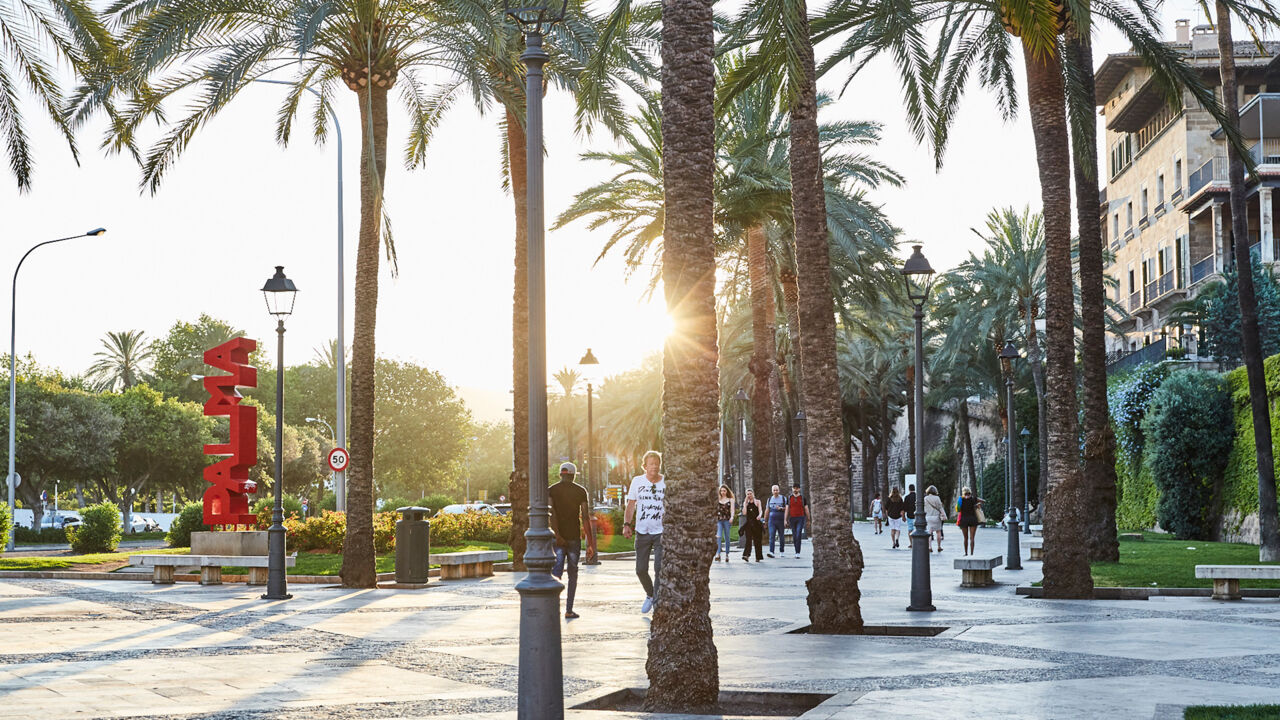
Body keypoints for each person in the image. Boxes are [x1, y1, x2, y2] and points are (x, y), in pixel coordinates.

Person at [549, 462, 597, 619]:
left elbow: (551, 514)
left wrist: (557, 535)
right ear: (573, 475)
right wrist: (590, 543)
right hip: (574, 538)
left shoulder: (551, 490)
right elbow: (584, 517)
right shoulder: (580, 491)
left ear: (561, 474)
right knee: (572, 573)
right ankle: (569, 610)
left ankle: (552, 609)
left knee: (556, 573)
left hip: (558, 540)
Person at [623, 450, 665, 613]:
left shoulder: (665, 482)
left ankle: (656, 601)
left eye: (657, 464)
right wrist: (627, 524)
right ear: (645, 466)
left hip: (661, 532)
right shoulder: (637, 481)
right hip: (642, 531)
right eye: (651, 464)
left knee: (659, 568)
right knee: (640, 569)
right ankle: (650, 594)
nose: (654, 467)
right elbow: (631, 505)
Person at [958, 486, 984, 556]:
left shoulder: (961, 499)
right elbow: (983, 501)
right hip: (973, 519)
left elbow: (958, 509)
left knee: (965, 538)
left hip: (964, 520)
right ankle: (972, 553)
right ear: (970, 492)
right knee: (972, 538)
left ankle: (966, 553)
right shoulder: (974, 499)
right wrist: (977, 504)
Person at [785, 484, 809, 558]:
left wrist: (809, 519)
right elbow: (787, 509)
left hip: (800, 518)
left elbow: (806, 509)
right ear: (792, 489)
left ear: (799, 489)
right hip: (792, 518)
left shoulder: (802, 498)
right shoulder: (789, 498)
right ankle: (796, 551)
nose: (795, 490)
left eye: (797, 488)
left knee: (798, 534)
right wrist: (785, 520)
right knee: (795, 535)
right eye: (794, 488)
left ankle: (798, 552)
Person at [740, 488, 764, 562]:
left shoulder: (757, 502)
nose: (749, 495)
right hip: (749, 524)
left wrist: (760, 515)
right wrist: (745, 503)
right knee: (748, 540)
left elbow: (760, 510)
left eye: (750, 494)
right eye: (748, 494)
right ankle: (746, 555)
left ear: (753, 494)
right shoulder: (746, 503)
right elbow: (744, 513)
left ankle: (758, 557)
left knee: (757, 540)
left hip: (756, 523)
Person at [922, 485, 947, 553]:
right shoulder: (937, 498)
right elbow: (940, 507)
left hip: (928, 516)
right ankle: (939, 546)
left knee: (929, 532)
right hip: (936, 517)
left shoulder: (925, 498)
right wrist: (944, 515)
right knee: (938, 532)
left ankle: (930, 547)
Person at [765, 485, 787, 558]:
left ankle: (782, 551)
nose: (775, 491)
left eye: (777, 490)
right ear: (772, 491)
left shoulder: (783, 498)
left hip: (780, 519)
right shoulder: (769, 499)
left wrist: (781, 508)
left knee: (781, 536)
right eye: (774, 490)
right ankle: (771, 551)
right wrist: (765, 521)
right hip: (772, 520)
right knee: (772, 536)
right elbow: (767, 510)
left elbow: (787, 509)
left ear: (779, 490)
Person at [715, 485, 735, 562]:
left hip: (727, 520)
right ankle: (718, 553)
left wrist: (732, 517)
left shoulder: (731, 500)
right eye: (721, 491)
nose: (723, 492)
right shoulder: (717, 500)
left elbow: (732, 510)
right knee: (718, 536)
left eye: (724, 491)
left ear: (727, 491)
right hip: (719, 520)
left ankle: (727, 554)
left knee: (727, 537)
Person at [902, 484, 917, 548]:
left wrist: (903, 516)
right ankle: (917, 542)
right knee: (917, 529)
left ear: (909, 489)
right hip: (917, 516)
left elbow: (904, 508)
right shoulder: (917, 496)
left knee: (910, 530)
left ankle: (911, 543)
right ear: (914, 488)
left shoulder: (907, 497)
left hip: (909, 515)